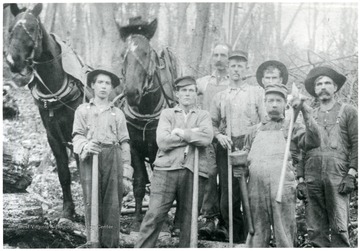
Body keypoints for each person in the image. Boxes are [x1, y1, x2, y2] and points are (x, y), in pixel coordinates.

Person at [135, 76, 214, 248]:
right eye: (183, 90)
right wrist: (193, 134)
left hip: (194, 171)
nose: (187, 94)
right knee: (154, 215)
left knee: (189, 220)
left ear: (196, 94)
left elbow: (207, 138)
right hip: (166, 170)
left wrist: (180, 132)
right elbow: (163, 141)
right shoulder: (167, 114)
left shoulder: (203, 115)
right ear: (177, 94)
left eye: (191, 90)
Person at [244, 83, 321, 247]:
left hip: (282, 188)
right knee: (256, 236)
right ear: (264, 103)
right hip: (255, 190)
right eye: (270, 100)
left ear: (284, 103)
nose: (273, 104)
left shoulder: (292, 126)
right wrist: (239, 165)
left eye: (278, 100)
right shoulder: (253, 131)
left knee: (284, 235)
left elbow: (314, 141)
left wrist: (305, 111)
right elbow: (245, 160)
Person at [297, 66, 358, 247]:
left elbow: (357, 143)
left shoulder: (349, 111)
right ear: (314, 90)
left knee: (339, 227)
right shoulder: (309, 115)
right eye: (319, 84)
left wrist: (352, 174)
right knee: (315, 229)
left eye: (327, 83)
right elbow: (301, 150)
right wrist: (300, 179)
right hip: (312, 176)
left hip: (338, 177)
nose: (323, 87)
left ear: (336, 87)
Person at [72, 66, 133, 248]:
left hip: (112, 157)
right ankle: (93, 242)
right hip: (90, 158)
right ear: (93, 85)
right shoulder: (82, 110)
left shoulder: (118, 113)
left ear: (112, 88)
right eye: (100, 82)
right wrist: (85, 145)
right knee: (91, 201)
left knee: (112, 205)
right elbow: (77, 136)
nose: (104, 87)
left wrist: (127, 171)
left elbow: (125, 142)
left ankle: (110, 244)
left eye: (108, 83)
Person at [210, 50, 266, 243]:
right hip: (228, 146)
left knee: (250, 193)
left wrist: (253, 134)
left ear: (246, 69)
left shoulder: (256, 93)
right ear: (228, 69)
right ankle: (238, 238)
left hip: (252, 144)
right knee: (228, 198)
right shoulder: (220, 96)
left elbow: (265, 120)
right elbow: (212, 123)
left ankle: (257, 238)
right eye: (232, 66)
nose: (235, 69)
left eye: (239, 66)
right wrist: (218, 135)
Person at [195, 43, 231, 240]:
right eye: (215, 54)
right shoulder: (202, 82)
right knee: (209, 174)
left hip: (226, 136)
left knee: (226, 179)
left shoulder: (232, 81)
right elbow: (186, 95)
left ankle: (226, 221)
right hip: (207, 135)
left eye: (223, 55)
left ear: (229, 59)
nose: (219, 59)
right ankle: (209, 218)